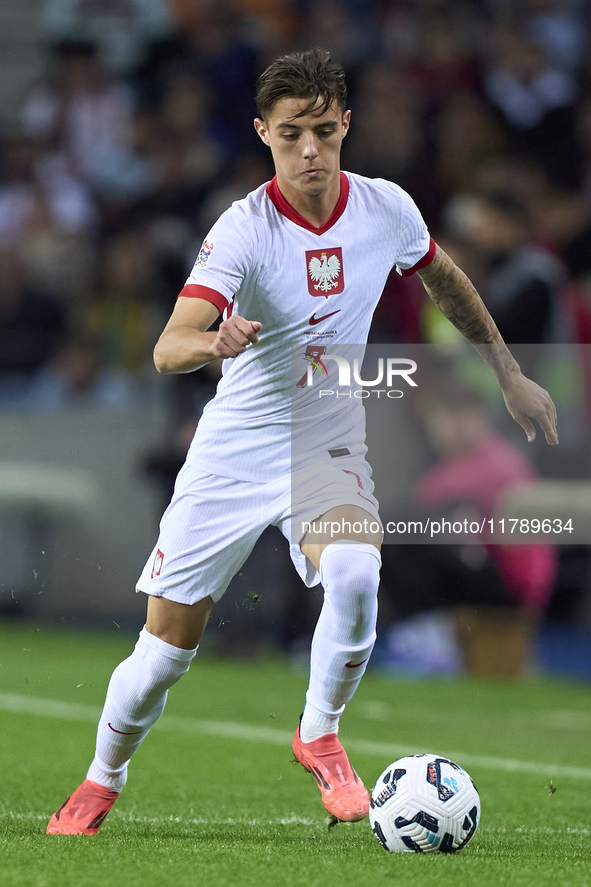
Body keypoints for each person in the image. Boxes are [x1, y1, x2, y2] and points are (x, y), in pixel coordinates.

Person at [47, 48, 558, 836]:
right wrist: (215, 340)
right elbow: (166, 346)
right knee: (161, 659)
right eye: (292, 135)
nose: (310, 150)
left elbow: (446, 281)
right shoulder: (243, 229)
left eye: (324, 130)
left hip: (325, 442)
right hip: (233, 451)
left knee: (355, 572)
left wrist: (509, 376)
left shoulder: (385, 207)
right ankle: (101, 777)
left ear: (346, 124)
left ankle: (318, 731)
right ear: (263, 133)